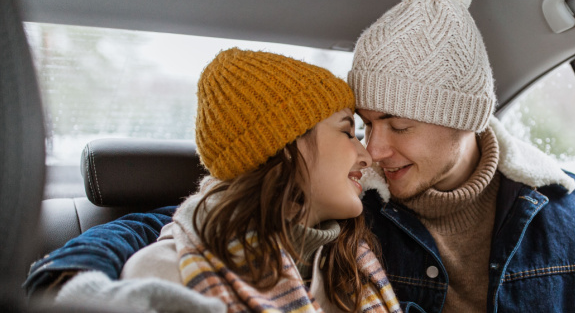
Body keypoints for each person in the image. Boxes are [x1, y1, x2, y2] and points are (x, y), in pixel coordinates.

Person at [26, 0, 575, 312]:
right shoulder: (350, 202)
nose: (376, 149)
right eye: (364, 125)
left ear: (466, 118)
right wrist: (73, 283)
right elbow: (204, 221)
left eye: (399, 125)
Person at [40, 48, 410, 313]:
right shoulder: (166, 277)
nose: (367, 155)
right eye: (349, 132)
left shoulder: (350, 262)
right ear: (282, 146)